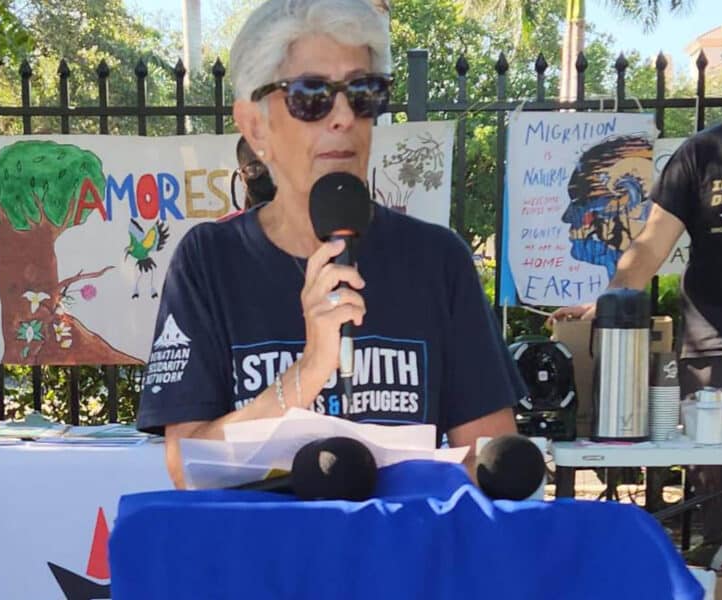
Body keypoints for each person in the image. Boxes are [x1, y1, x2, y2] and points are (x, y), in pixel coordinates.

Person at [137, 0, 524, 489]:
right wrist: (309, 371)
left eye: (362, 93)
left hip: (401, 556)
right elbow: (187, 465)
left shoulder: (437, 260)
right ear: (255, 126)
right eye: (311, 95)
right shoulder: (210, 261)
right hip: (269, 561)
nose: (343, 117)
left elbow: (490, 458)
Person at [551, 24, 722, 542]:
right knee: (717, 520)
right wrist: (607, 303)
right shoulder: (701, 152)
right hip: (712, 362)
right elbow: (651, 245)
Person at [232, 136, 277, 211]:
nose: (266, 174)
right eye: (254, 168)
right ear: (241, 176)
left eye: (272, 167)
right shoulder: (230, 222)